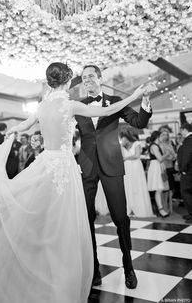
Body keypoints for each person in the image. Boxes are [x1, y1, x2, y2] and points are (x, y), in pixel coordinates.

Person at [0, 62, 147, 303]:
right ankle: (67, 273)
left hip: (46, 165)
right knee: (68, 223)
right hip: (65, 168)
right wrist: (135, 95)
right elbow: (109, 111)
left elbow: (23, 125)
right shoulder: (70, 104)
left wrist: (8, 135)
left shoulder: (43, 106)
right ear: (67, 81)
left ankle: (44, 267)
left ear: (50, 82)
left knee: (46, 220)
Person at [75, 65, 155, 289]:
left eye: (91, 76)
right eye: (84, 78)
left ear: (100, 78)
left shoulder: (115, 100)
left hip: (111, 164)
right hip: (87, 168)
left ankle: (128, 267)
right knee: (87, 220)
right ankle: (94, 270)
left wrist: (145, 100)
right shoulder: (77, 106)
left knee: (121, 218)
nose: (87, 80)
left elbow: (139, 122)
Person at [120, 130, 155, 218]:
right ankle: (129, 208)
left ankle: (139, 208)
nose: (122, 139)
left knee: (137, 185)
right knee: (128, 186)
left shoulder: (137, 143)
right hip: (126, 167)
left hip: (135, 167)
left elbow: (137, 155)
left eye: (123, 137)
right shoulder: (122, 145)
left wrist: (126, 158)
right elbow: (121, 156)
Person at [147, 131, 170, 218]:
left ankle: (161, 209)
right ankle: (161, 210)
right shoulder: (154, 146)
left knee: (159, 189)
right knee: (159, 189)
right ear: (157, 137)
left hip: (157, 167)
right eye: (161, 135)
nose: (163, 137)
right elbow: (160, 159)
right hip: (155, 167)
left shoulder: (156, 145)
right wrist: (166, 154)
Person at [159, 130, 177, 213]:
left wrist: (171, 157)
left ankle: (170, 207)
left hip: (170, 168)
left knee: (171, 188)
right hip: (163, 168)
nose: (165, 136)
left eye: (166, 134)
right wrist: (168, 157)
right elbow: (161, 157)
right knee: (164, 189)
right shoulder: (159, 145)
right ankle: (164, 207)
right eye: (163, 134)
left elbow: (174, 156)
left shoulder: (170, 144)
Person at [178, 122, 192, 223]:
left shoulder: (188, 140)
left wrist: (183, 170)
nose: (180, 132)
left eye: (181, 130)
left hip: (188, 172)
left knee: (186, 193)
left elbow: (187, 156)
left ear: (184, 129)